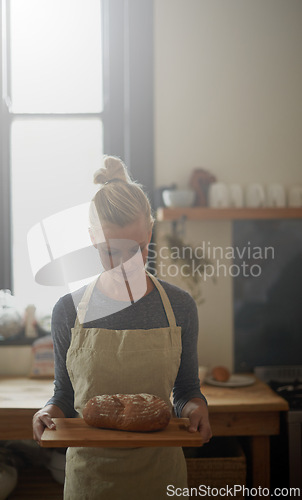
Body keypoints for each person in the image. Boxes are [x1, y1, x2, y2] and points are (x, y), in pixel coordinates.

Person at [32, 156, 212, 499]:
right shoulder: (68, 311)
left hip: (161, 478)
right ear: (92, 240)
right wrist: (46, 413)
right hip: (91, 480)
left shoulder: (179, 307)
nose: (125, 264)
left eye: (138, 249)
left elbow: (186, 390)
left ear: (150, 232)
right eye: (110, 252)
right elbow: (65, 397)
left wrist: (196, 409)